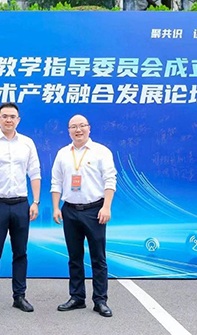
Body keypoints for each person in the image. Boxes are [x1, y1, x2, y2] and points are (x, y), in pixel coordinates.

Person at [0, 102, 41, 315]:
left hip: (21, 204)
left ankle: (19, 296)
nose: (9, 120)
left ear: (18, 120)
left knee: (20, 252)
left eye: (13, 116)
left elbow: (35, 172)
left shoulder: (27, 143)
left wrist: (36, 202)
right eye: (5, 116)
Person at [50, 114, 117, 318]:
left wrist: (106, 207)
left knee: (98, 258)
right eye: (73, 127)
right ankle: (77, 297)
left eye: (81, 126)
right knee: (74, 257)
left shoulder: (101, 152)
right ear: (68, 131)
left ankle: (100, 300)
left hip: (94, 210)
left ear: (89, 128)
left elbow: (110, 180)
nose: (78, 130)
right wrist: (56, 207)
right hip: (70, 210)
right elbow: (56, 182)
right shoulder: (63, 153)